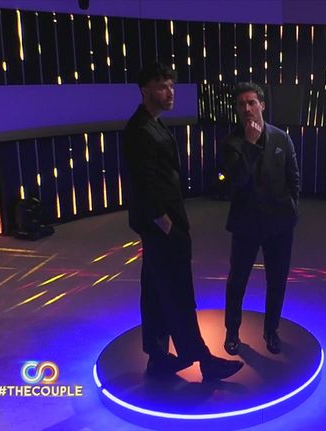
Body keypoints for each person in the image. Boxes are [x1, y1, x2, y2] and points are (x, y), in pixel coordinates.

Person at [123, 62, 243, 381]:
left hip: (161, 226)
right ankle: (202, 359)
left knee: (155, 292)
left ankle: (157, 357)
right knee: (178, 294)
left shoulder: (152, 124)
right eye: (162, 86)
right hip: (163, 227)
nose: (170, 91)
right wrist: (164, 222)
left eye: (171, 85)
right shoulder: (140, 130)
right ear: (145, 90)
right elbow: (143, 182)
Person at [222, 82, 300, 356]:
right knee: (237, 281)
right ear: (236, 109)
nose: (247, 108)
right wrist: (251, 144)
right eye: (241, 104)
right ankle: (232, 332)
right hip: (246, 223)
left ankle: (271, 330)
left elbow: (293, 178)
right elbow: (237, 181)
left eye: (252, 102)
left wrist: (291, 208)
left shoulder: (281, 138)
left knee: (277, 281)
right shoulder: (232, 143)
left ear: (262, 105)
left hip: (280, 224)